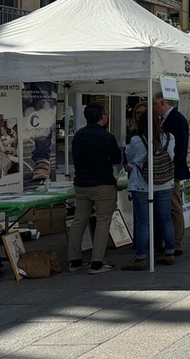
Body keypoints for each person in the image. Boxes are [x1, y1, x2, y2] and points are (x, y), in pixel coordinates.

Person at [67, 103, 121, 274]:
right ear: (100, 116)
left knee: (79, 221)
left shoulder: (79, 135)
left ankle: (74, 260)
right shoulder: (106, 137)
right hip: (102, 183)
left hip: (81, 184)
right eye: (105, 114)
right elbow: (117, 158)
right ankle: (96, 262)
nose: (106, 116)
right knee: (103, 221)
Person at [123, 103, 176, 270]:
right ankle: (169, 251)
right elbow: (172, 156)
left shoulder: (136, 140)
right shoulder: (169, 137)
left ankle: (140, 257)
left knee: (143, 221)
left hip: (142, 185)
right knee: (166, 217)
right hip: (165, 182)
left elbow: (130, 159)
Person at [152, 93, 190, 257]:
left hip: (171, 170)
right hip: (167, 169)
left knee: (174, 206)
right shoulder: (169, 119)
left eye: (154, 104)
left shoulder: (176, 119)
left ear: (162, 103)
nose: (153, 108)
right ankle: (169, 241)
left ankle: (176, 242)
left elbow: (180, 148)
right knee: (168, 207)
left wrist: (170, 168)